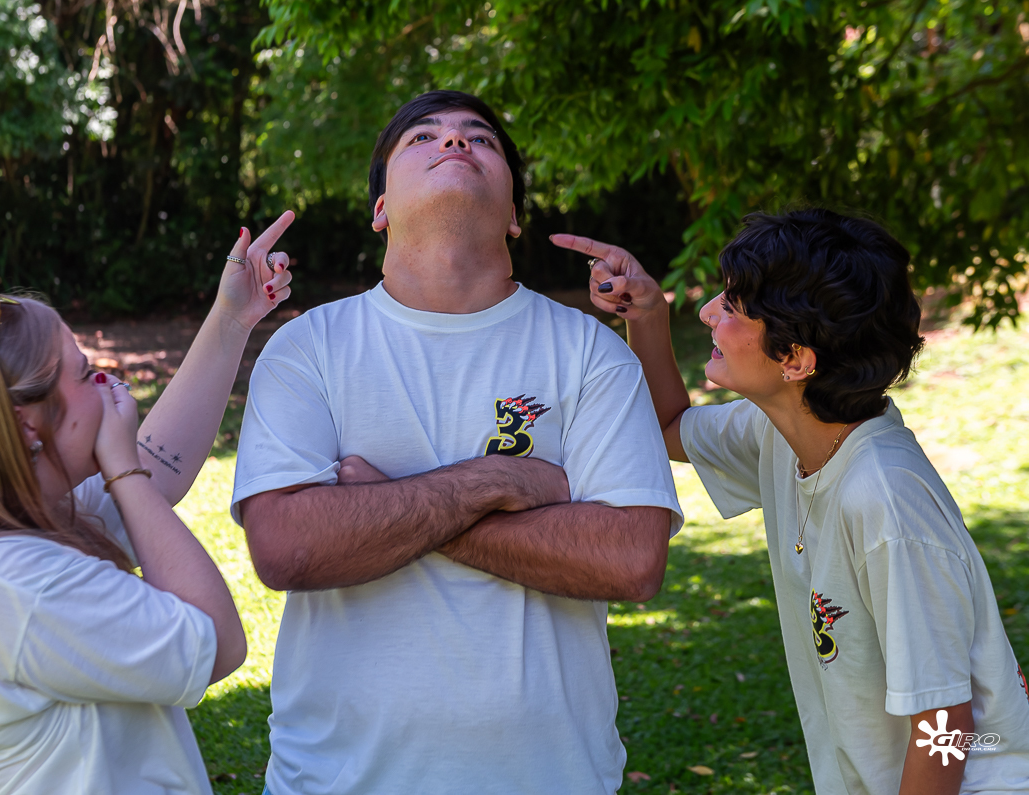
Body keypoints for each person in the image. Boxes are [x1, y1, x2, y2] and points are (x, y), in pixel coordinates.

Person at [231, 90, 683, 795]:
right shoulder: (307, 347)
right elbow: (287, 546)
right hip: (338, 780)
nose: (453, 142)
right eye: (423, 137)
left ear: (513, 215)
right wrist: (497, 481)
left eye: (481, 138)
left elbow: (630, 559)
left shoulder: (592, 353)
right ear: (381, 208)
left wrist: (382, 505)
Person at [558, 208, 1029, 795]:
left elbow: (945, 727)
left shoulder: (886, 502)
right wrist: (648, 315)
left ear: (796, 360)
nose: (707, 313)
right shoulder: (780, 433)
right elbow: (669, 428)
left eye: (732, 306)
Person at [0, 213, 296, 795]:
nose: (108, 383)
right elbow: (216, 641)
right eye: (86, 374)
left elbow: (159, 468)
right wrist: (124, 472)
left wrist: (232, 317)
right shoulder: (14, 582)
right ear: (26, 424)